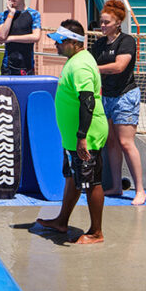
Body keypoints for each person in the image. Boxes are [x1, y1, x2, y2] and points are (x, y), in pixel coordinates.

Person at [32, 21, 108, 245]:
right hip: (75, 137)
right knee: (72, 176)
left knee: (92, 181)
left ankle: (96, 232)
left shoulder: (81, 65)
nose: (55, 44)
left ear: (75, 43)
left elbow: (88, 102)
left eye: (60, 41)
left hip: (87, 135)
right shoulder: (75, 61)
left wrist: (82, 136)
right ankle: (62, 220)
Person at [92, 0, 144, 205]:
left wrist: (96, 69)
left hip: (125, 95)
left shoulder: (127, 41)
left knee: (125, 142)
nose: (102, 26)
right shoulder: (98, 44)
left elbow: (120, 66)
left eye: (106, 23)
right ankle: (115, 185)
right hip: (107, 96)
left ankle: (140, 189)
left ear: (118, 23)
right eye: (101, 22)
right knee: (111, 142)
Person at [0, 0, 42, 76]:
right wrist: (11, 13)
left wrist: (11, 38)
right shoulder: (4, 15)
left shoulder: (34, 14)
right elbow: (1, 36)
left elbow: (36, 37)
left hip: (27, 65)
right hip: (8, 66)